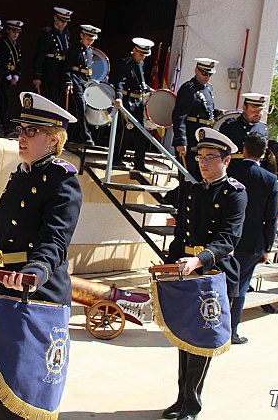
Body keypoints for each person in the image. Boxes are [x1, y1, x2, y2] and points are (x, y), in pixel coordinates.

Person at [0, 91, 82, 418]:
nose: (22, 137)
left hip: (36, 296)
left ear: (54, 139)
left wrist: (34, 272)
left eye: (32, 131)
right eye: (21, 129)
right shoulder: (20, 175)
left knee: (27, 392)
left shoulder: (62, 180)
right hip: (4, 290)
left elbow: (55, 241)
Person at [164, 128, 246, 420]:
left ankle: (192, 404)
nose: (203, 162)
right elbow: (180, 234)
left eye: (211, 157)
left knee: (202, 341)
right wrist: (168, 264)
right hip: (186, 269)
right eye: (200, 157)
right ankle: (180, 398)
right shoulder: (193, 189)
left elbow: (227, 239)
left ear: (227, 160)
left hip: (212, 271)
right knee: (184, 336)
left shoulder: (234, 193)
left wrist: (198, 260)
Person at [227, 132, 278, 344]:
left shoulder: (230, 170)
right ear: (264, 153)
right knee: (239, 287)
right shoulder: (269, 179)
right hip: (251, 242)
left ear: (244, 149)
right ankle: (231, 331)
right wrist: (268, 246)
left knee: (219, 283)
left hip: (226, 237)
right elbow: (271, 217)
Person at [171, 58, 219, 201]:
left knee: (199, 178)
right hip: (190, 138)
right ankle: (180, 207)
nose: (207, 77)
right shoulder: (189, 88)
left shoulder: (209, 88)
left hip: (203, 138)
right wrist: (181, 140)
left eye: (210, 74)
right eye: (204, 73)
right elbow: (179, 116)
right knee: (188, 178)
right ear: (196, 70)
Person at [112, 37, 155, 171]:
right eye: (141, 54)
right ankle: (116, 159)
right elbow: (119, 82)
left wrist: (149, 90)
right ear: (134, 51)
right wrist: (118, 97)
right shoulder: (126, 64)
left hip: (138, 101)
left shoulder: (140, 64)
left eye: (145, 55)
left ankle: (139, 162)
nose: (143, 58)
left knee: (140, 133)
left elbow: (140, 83)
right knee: (125, 131)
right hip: (127, 100)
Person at [63, 24, 100, 146]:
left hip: (85, 81)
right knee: (80, 105)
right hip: (75, 79)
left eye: (92, 39)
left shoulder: (89, 51)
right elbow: (67, 67)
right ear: (82, 35)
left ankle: (72, 134)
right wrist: (69, 81)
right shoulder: (74, 48)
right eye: (88, 39)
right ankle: (86, 135)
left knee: (79, 109)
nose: (90, 42)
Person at [32, 7, 72, 103]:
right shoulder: (48, 32)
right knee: (50, 96)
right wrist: (37, 75)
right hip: (50, 68)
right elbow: (40, 54)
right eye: (62, 21)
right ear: (55, 18)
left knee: (58, 97)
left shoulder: (66, 33)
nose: (64, 24)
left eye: (66, 22)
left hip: (61, 68)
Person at [219, 92, 270, 158]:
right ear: (244, 108)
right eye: (254, 110)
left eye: (260, 110)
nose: (257, 113)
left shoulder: (263, 128)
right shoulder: (230, 126)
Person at [0, 20, 24, 136]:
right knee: (2, 103)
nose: (16, 34)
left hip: (12, 76)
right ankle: (6, 127)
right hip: (3, 76)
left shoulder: (17, 45)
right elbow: (1, 61)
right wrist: (7, 75)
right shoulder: (3, 43)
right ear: (7, 31)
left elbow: (18, 62)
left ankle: (6, 127)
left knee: (6, 102)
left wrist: (17, 75)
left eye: (17, 32)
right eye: (13, 31)